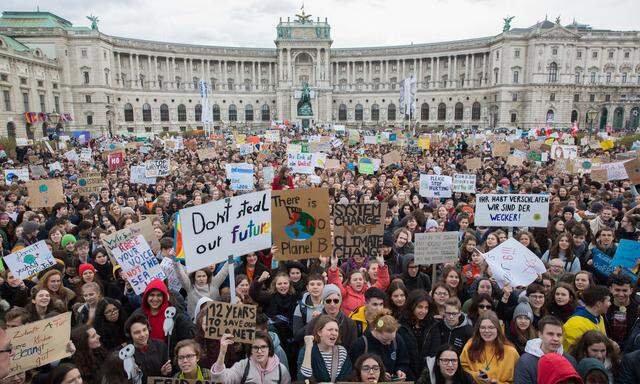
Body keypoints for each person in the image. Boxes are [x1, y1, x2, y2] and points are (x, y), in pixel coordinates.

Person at [514, 315, 578, 384]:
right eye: (550, 334)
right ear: (540, 334)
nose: (555, 339)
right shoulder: (526, 362)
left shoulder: (570, 360)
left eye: (559, 335)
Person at [460, 312, 520, 384]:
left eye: (491, 327)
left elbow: (518, 379)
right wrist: (475, 376)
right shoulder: (470, 346)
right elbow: (462, 369)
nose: (486, 331)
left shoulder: (511, 352)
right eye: (483, 327)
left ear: (498, 329)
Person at [350, 310, 410, 381]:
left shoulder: (397, 339)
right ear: (376, 330)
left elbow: (403, 360)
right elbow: (355, 369)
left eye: (391, 339)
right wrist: (379, 374)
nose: (389, 343)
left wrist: (400, 370)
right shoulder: (361, 344)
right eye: (385, 340)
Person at [304, 284, 358, 350]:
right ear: (323, 302)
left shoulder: (350, 324)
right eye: (328, 301)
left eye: (336, 301)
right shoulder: (314, 323)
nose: (332, 304)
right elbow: (308, 349)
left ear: (340, 302)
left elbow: (353, 349)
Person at [298, 315, 351, 382]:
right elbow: (303, 379)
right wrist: (308, 347)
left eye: (336, 330)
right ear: (319, 332)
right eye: (330, 330)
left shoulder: (342, 351)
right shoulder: (308, 350)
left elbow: (348, 378)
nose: (334, 333)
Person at [398, 290, 436, 380]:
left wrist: (424, 376)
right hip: (407, 373)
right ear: (412, 306)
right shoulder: (401, 325)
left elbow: (434, 351)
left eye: (426, 308)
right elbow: (402, 353)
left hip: (427, 374)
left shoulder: (432, 325)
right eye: (420, 307)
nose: (423, 311)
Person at [123, 313, 172, 383]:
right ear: (129, 335)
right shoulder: (125, 354)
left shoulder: (161, 345)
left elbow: (168, 376)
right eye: (137, 332)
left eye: (144, 330)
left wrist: (164, 373)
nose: (142, 335)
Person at [563, 286, 611, 350]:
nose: (610, 304)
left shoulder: (599, 318)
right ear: (599, 304)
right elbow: (575, 351)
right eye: (608, 301)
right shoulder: (575, 323)